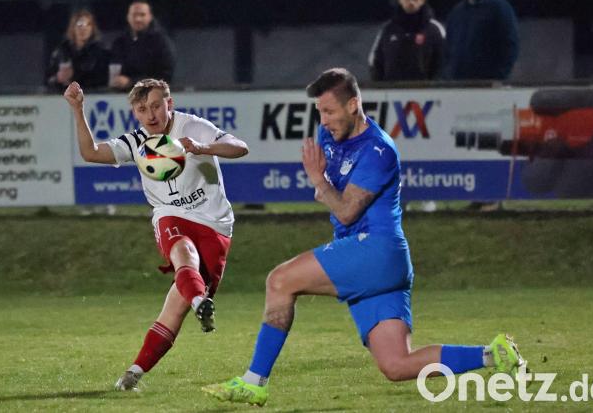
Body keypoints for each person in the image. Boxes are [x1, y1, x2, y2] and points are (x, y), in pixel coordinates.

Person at [202, 68, 524, 406]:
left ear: (354, 104)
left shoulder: (379, 150)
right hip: (382, 261)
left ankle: (254, 381)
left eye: (329, 111)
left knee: (280, 281)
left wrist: (320, 183)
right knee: (396, 365)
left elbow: (346, 212)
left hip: (375, 249)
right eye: (320, 112)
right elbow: (336, 199)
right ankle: (494, 355)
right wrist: (326, 188)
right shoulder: (330, 135)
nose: (323, 121)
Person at [63, 78, 248, 391]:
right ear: (135, 113)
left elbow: (240, 147)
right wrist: (78, 110)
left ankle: (134, 373)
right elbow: (91, 153)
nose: (150, 115)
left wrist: (203, 148)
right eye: (142, 109)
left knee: (175, 308)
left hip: (215, 223)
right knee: (182, 253)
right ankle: (199, 298)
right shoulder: (136, 142)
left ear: (169, 104)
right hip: (170, 215)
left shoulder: (193, 127)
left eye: (156, 106)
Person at [444, 0, 519, 80]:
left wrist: (499, 77)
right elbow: (448, 48)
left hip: (489, 85)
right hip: (459, 85)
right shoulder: (456, 12)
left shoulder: (500, 8)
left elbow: (511, 46)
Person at [369, 0, 445, 82]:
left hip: (425, 92)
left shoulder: (434, 30)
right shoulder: (387, 29)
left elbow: (444, 62)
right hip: (392, 92)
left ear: (422, 0)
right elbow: (375, 62)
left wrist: (434, 86)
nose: (411, 2)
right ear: (400, 0)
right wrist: (380, 87)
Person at [109, 0, 176, 91]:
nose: (138, 19)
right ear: (128, 17)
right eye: (134, 15)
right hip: (120, 98)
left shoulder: (162, 42)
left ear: (150, 17)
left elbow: (165, 76)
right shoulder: (119, 42)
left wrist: (131, 82)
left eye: (142, 15)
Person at [46, 8, 110, 93]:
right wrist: (57, 78)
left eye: (88, 25)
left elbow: (103, 78)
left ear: (92, 28)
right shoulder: (62, 50)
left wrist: (74, 75)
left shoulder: (100, 51)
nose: (83, 28)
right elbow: (48, 78)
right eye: (80, 25)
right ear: (73, 28)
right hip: (63, 97)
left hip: (91, 96)